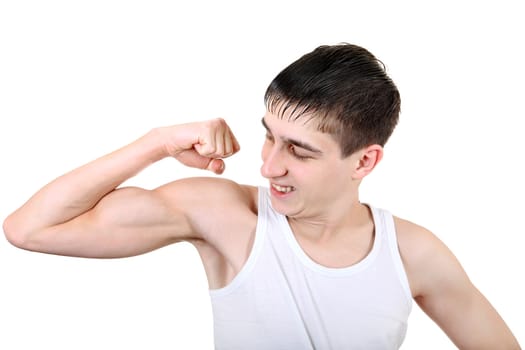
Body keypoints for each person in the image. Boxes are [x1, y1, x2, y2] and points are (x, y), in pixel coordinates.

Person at [3, 43, 520, 349]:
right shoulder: (225, 215)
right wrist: (155, 143)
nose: (268, 164)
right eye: (269, 134)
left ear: (364, 161)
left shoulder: (414, 253)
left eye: (299, 150)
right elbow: (30, 229)